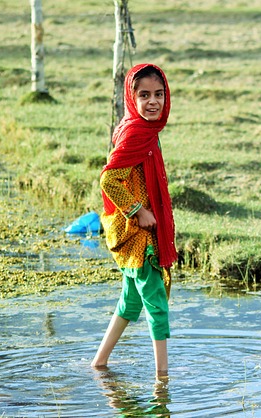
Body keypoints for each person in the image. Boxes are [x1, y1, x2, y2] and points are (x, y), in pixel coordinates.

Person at [91, 63, 177, 379]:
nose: (153, 101)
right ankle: (163, 378)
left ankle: (99, 363)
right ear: (131, 97)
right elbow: (109, 180)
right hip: (139, 237)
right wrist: (138, 210)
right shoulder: (134, 134)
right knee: (156, 304)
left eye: (159, 94)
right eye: (144, 95)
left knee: (129, 302)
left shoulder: (146, 131)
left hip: (141, 235)